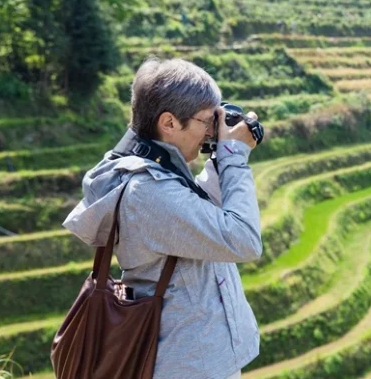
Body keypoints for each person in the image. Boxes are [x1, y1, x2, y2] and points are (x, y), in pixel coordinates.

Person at [62, 57, 262, 379]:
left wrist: (219, 158)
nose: (211, 131)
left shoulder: (155, 174)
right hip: (189, 366)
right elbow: (244, 240)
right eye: (206, 121)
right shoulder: (148, 192)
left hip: (198, 358)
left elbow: (198, 214)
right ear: (168, 123)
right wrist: (234, 157)